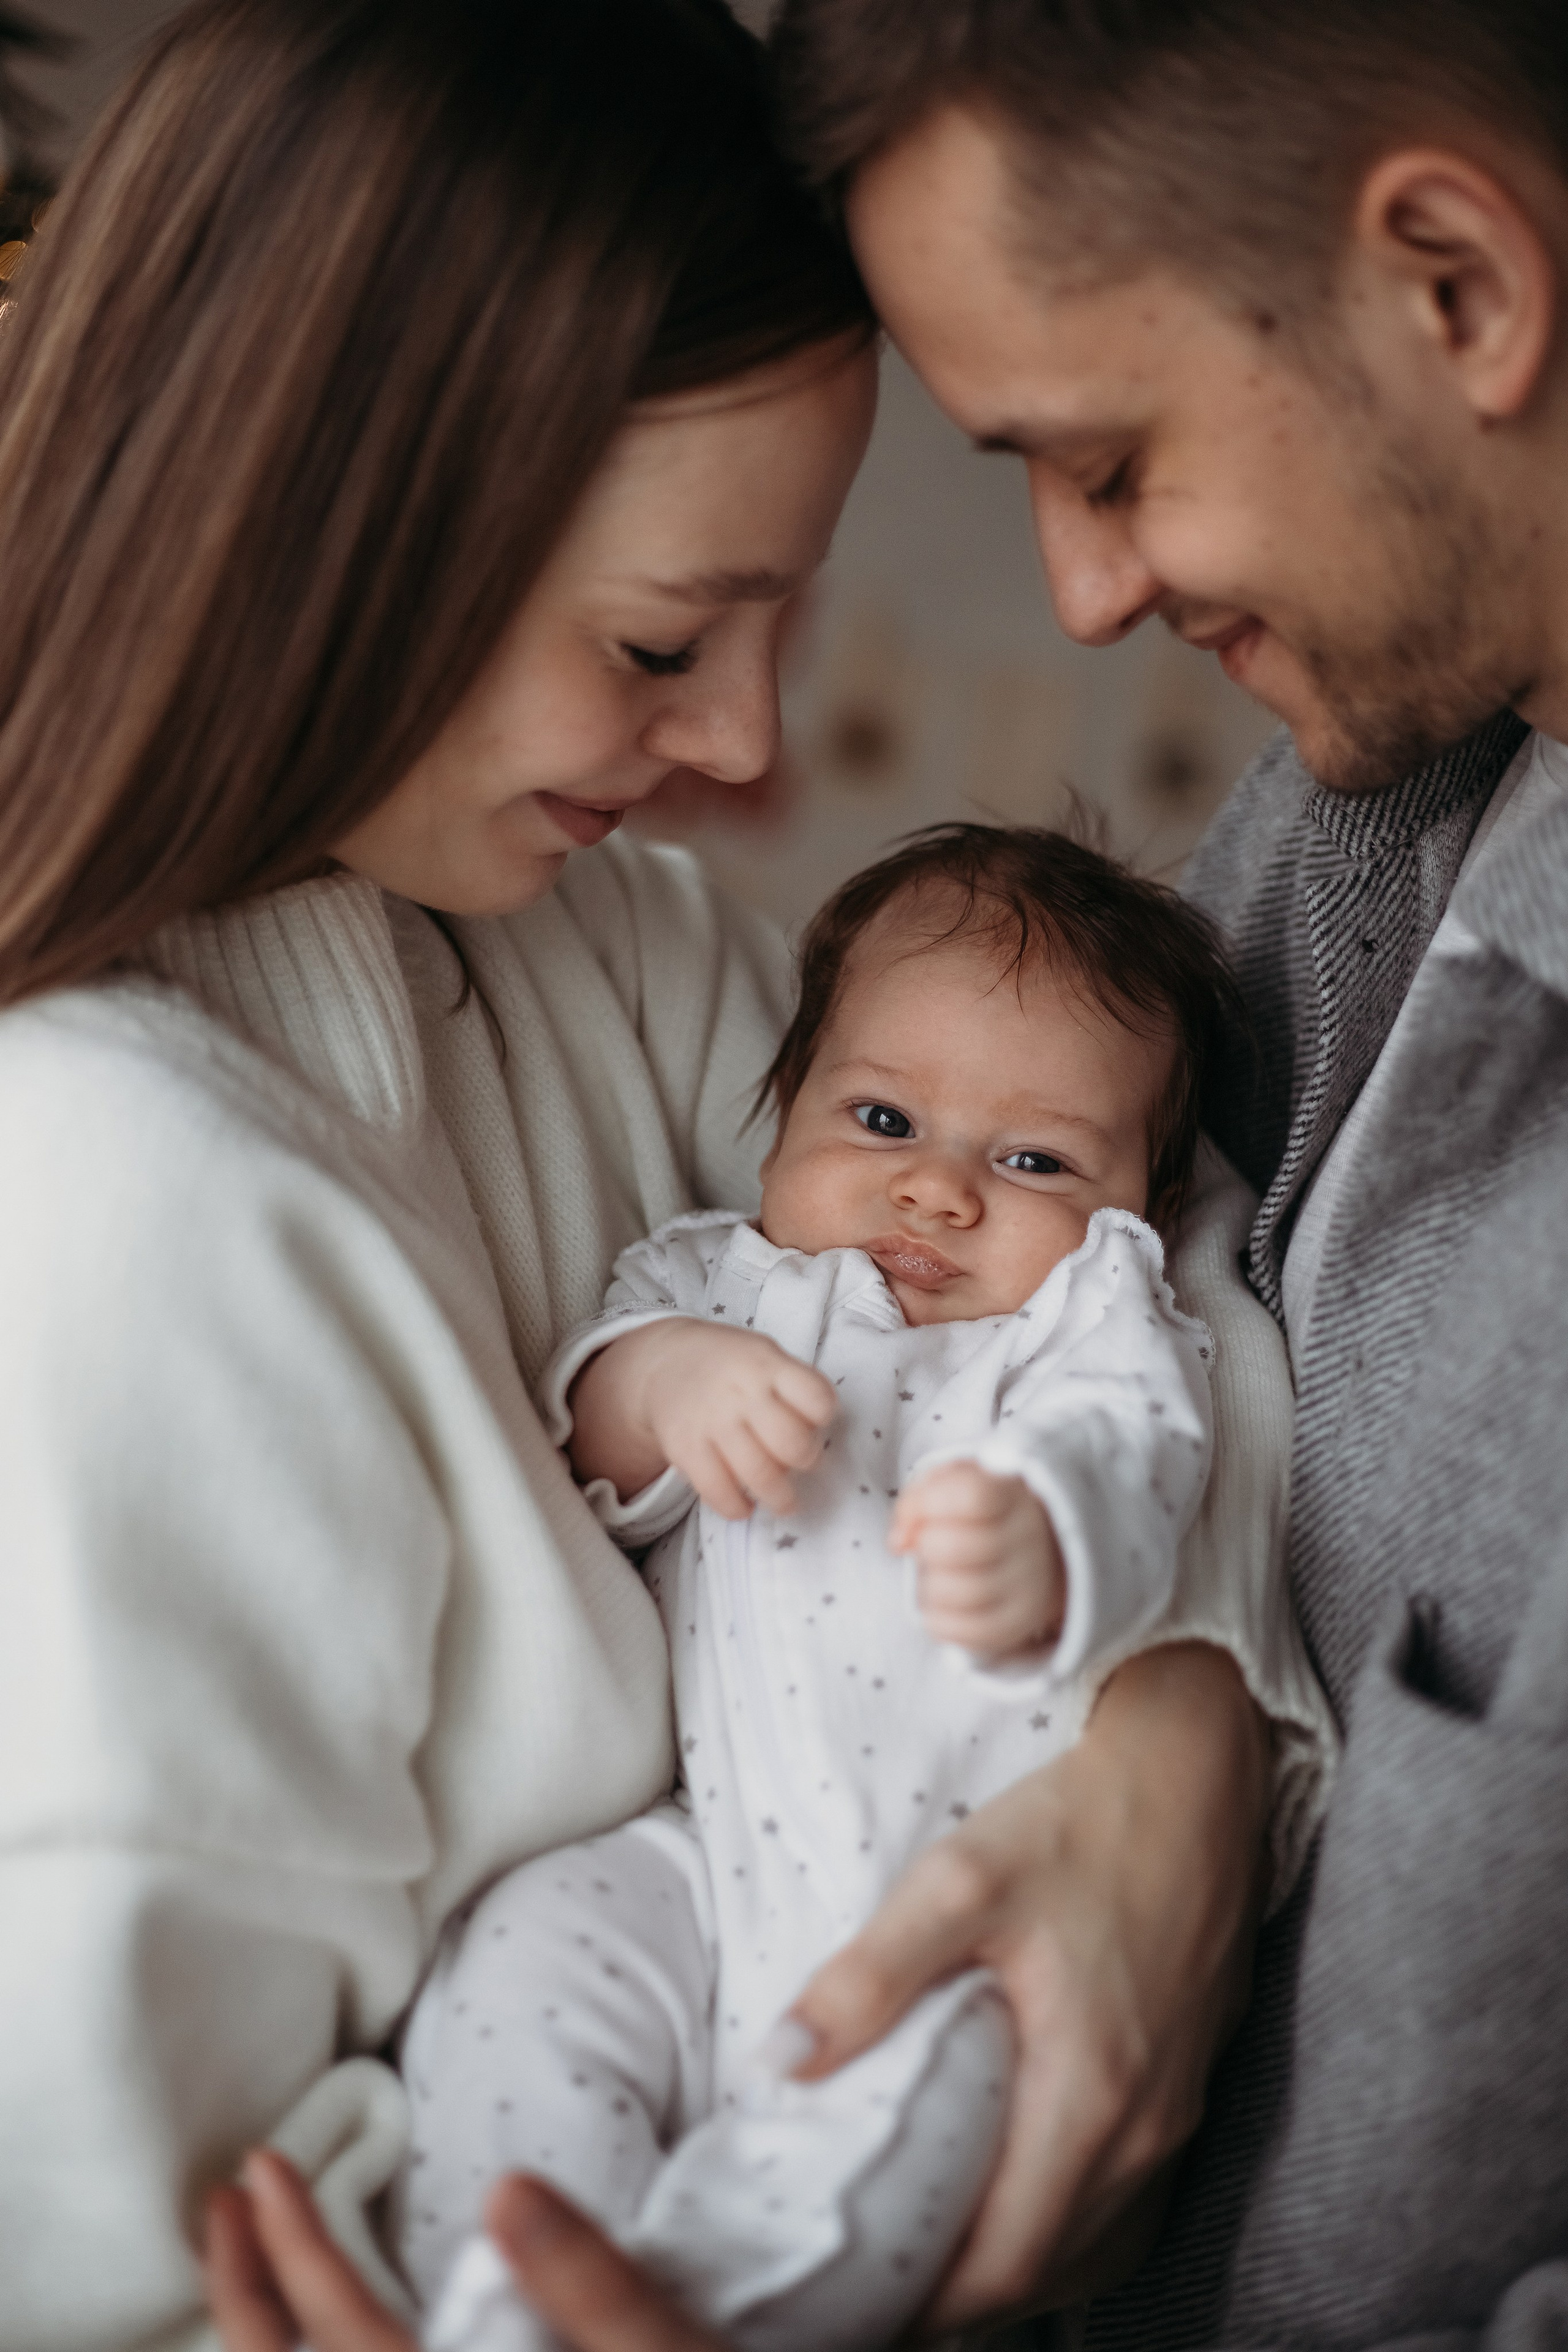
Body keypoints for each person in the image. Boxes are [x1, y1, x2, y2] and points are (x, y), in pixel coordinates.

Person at [0, 4, 1324, 2350]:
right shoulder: (114, 1201)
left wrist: (1174, 1753)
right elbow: (111, 2227)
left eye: (769, 625)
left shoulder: (619, 951)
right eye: (657, 640)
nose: (737, 743)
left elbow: (1138, 1242)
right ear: (325, 534)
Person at [761, 0, 1568, 2343]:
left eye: (1107, 460)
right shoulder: (1357, 820)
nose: (1087, 595)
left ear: (1459, 283)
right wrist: (1183, 1731)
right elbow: (1110, 1320)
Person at [399, 826, 1263, 2352]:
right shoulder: (720, 1279)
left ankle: (695, 2315)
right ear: (781, 1113)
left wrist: (1047, 1525)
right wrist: (668, 1386)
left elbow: (1141, 1446)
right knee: (532, 1950)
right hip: (706, 1864)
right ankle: (502, 2285)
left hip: (958, 1898)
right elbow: (582, 1416)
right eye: (880, 1116)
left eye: (1033, 1160)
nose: (934, 1193)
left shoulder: (1085, 1321)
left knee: (896, 2138)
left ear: (1138, 1207)